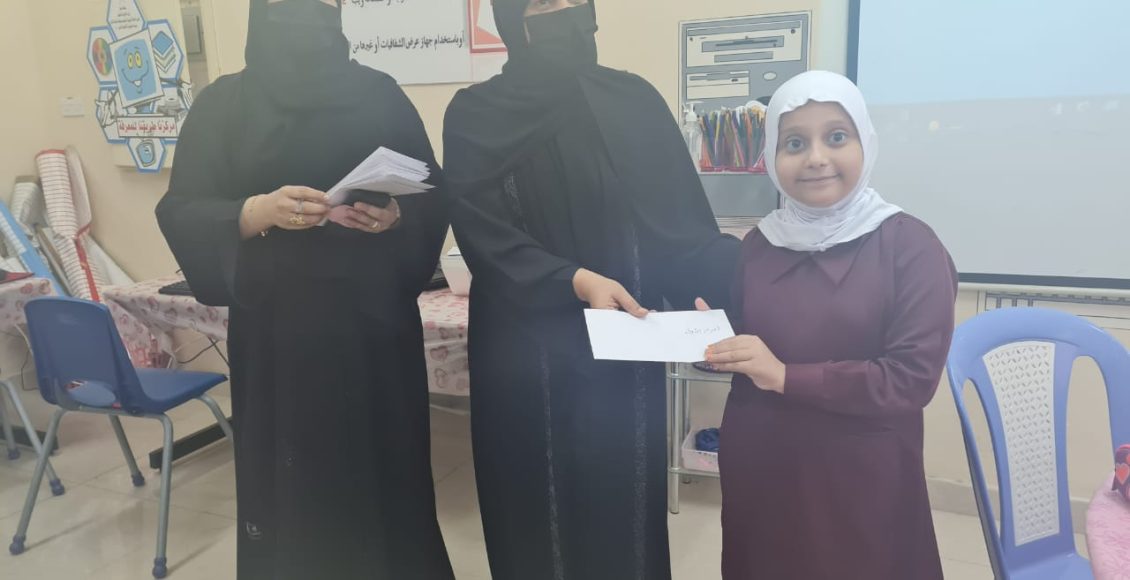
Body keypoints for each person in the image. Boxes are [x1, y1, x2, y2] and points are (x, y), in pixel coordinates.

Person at [155, 1, 453, 578]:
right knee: (292, 487)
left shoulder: (379, 94)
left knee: (385, 476)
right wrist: (255, 211)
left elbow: (432, 191)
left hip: (373, 330)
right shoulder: (225, 105)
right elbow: (181, 209)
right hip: (278, 334)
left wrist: (395, 217)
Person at [443, 1, 740, 578]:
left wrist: (724, 286)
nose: (561, 12)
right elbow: (480, 229)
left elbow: (681, 226)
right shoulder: (477, 114)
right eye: (540, 2)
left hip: (622, 346)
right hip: (523, 349)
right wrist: (573, 280)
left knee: (621, 502)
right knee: (537, 505)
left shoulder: (632, 100)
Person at [699, 70, 958, 579]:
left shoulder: (909, 246)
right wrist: (712, 344)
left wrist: (785, 376)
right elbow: (751, 343)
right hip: (763, 469)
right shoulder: (760, 244)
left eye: (836, 137)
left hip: (859, 478)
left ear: (865, 142)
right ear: (772, 155)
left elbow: (910, 379)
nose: (816, 157)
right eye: (794, 143)